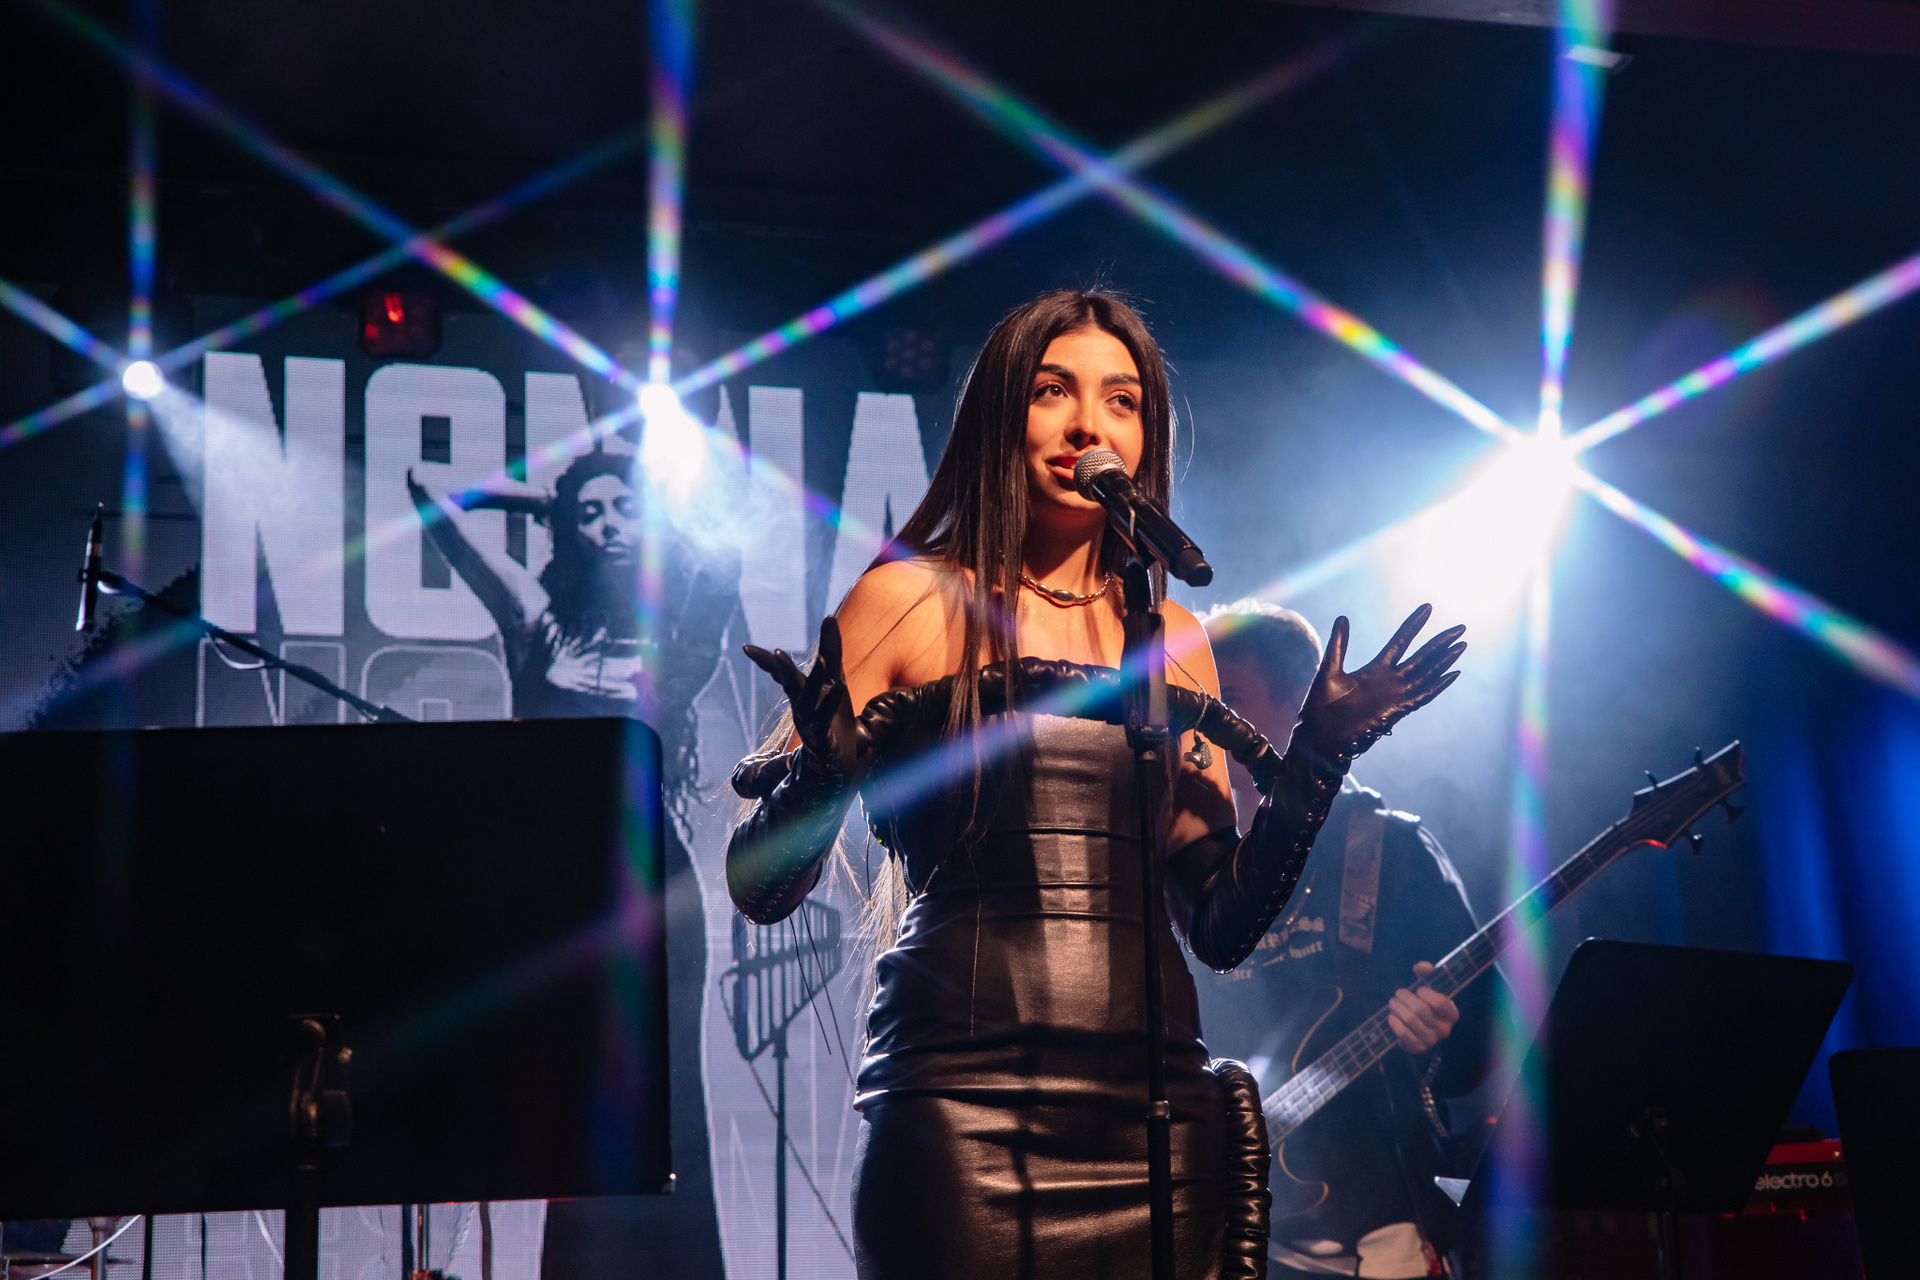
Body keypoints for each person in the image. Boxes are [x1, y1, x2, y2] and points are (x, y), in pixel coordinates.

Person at [724, 289, 1467, 1280]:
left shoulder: (1172, 639)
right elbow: (761, 886)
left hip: (1156, 1119)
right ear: (1002, 418)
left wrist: (1319, 755)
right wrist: (819, 778)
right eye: (1053, 391)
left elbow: (1220, 926)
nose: (1089, 423)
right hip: (961, 1112)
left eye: (1122, 400)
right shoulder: (907, 600)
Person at [409, 447, 738, 1280]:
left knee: (671, 1101)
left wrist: (645, 507)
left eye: (623, 509)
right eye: (589, 514)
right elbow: (429, 490)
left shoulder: (674, 641)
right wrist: (545, 500)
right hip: (564, 892)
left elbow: (723, 559)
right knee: (579, 1099)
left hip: (657, 888)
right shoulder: (536, 623)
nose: (608, 525)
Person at [1194, 601, 1501, 1279]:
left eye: (1228, 699)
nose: (1205, 720)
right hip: (1233, 1240)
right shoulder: (1188, 869)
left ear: (1302, 708)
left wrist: (1436, 1039)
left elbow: (1487, 1045)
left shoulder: (1387, 849)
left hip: (1382, 1242)